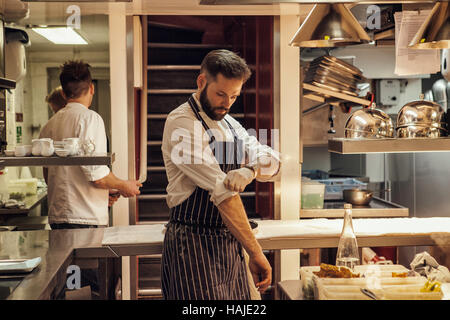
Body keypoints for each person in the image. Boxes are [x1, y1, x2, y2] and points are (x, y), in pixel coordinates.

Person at [161, 49, 281, 300]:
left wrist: (250, 170)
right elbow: (224, 194)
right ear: (202, 82)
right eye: (221, 94)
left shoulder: (229, 124)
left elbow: (273, 162)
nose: (227, 103)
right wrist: (257, 253)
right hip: (194, 248)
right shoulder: (182, 124)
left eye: (234, 97)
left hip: (229, 243)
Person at [39, 60, 142, 229]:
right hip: (85, 218)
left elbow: (48, 174)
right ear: (92, 88)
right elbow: (97, 176)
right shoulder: (90, 119)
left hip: (58, 217)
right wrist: (124, 185)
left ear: (64, 94)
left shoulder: (49, 125)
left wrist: (105, 192)